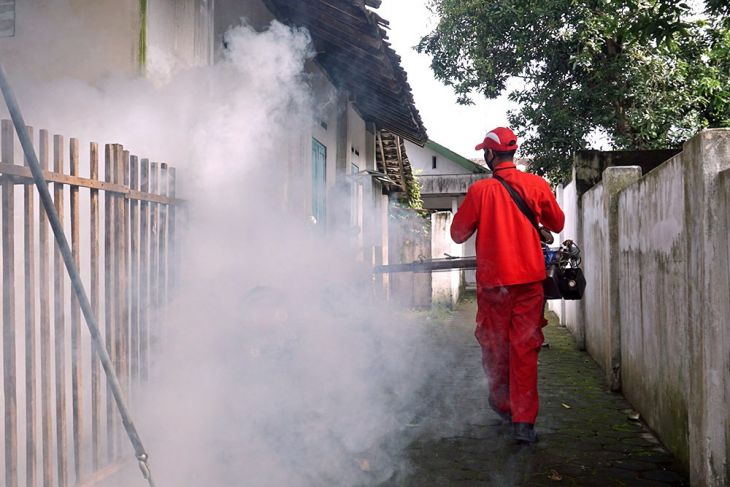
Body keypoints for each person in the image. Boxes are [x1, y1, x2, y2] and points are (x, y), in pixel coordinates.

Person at [450, 127, 565, 444]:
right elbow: (557, 223)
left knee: (494, 347)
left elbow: (458, 234)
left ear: (489, 154)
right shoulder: (536, 185)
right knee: (525, 349)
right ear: (512, 153)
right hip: (530, 284)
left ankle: (503, 405)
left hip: (494, 287)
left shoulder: (480, 191)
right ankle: (524, 423)